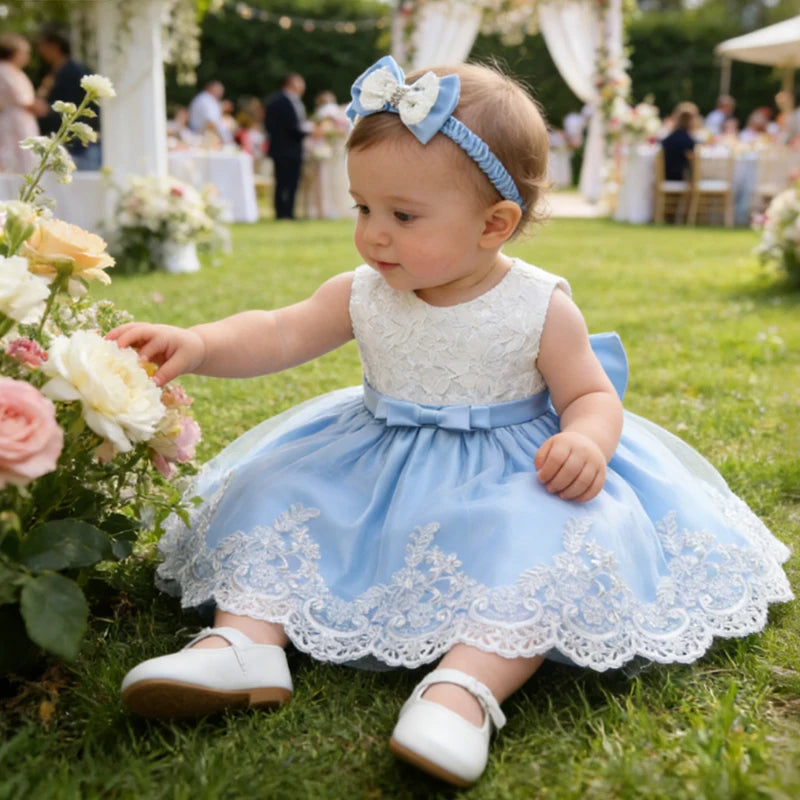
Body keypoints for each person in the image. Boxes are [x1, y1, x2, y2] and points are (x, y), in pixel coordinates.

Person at [110, 57, 792, 788]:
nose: (374, 236)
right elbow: (279, 330)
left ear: (494, 224)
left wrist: (584, 439)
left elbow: (592, 394)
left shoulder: (539, 305)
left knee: (539, 537)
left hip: (505, 469)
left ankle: (463, 689)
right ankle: (245, 641)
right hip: (373, 462)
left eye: (402, 216)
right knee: (274, 489)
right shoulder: (363, 291)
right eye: (363, 208)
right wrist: (200, 343)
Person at [33, 27, 100, 170]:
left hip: (79, 145)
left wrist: (48, 109)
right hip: (59, 140)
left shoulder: (74, 72)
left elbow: (76, 104)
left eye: (42, 45)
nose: (39, 50)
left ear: (54, 46)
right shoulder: (50, 71)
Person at [264, 73, 311, 219]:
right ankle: (282, 212)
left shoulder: (292, 101)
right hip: (285, 148)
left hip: (292, 148)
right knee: (283, 182)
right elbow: (287, 126)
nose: (303, 87)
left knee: (291, 182)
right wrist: (306, 131)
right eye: (300, 83)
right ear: (291, 84)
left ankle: (289, 211)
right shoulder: (279, 101)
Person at [0, 33, 38, 174]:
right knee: (15, 162)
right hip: (15, 122)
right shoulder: (6, 71)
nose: (27, 57)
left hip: (18, 120)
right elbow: (22, 99)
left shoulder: (14, 71)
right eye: (25, 53)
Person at [660, 102, 699, 181]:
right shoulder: (688, 140)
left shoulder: (669, 138)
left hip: (666, 176)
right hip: (679, 179)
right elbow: (692, 164)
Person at [187, 80, 232, 144]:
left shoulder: (202, 98)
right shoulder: (208, 100)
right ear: (211, 89)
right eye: (219, 90)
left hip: (197, 133)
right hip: (201, 135)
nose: (221, 93)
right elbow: (211, 122)